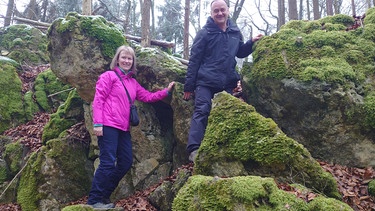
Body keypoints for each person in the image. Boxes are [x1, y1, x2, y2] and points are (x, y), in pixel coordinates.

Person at [88, 45, 175, 208]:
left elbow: (147, 97)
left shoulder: (133, 83)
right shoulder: (108, 76)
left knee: (126, 161)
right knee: (107, 162)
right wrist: (98, 123)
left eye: (130, 58)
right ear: (117, 59)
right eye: (124, 57)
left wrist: (166, 92)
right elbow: (98, 100)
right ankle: (94, 200)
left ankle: (104, 195)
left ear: (133, 62)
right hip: (107, 125)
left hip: (123, 128)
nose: (126, 61)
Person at [183, 0, 263, 162]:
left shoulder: (234, 31)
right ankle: (194, 149)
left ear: (228, 10)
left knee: (224, 114)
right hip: (205, 82)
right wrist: (189, 86)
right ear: (211, 13)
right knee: (202, 110)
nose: (219, 13)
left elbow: (239, 52)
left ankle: (221, 150)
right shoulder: (205, 33)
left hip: (226, 83)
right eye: (216, 11)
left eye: (222, 10)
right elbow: (194, 60)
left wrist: (250, 43)